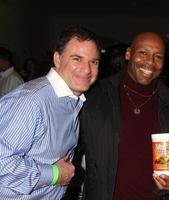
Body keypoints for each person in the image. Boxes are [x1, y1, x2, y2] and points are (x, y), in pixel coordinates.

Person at [80, 32, 169, 200]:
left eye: (158, 56)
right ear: (128, 54)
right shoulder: (97, 97)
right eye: (143, 53)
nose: (150, 62)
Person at [0, 26, 101, 199]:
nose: (87, 69)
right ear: (57, 59)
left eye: (94, 61)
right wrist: (55, 174)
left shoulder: (72, 100)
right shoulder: (30, 102)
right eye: (77, 59)